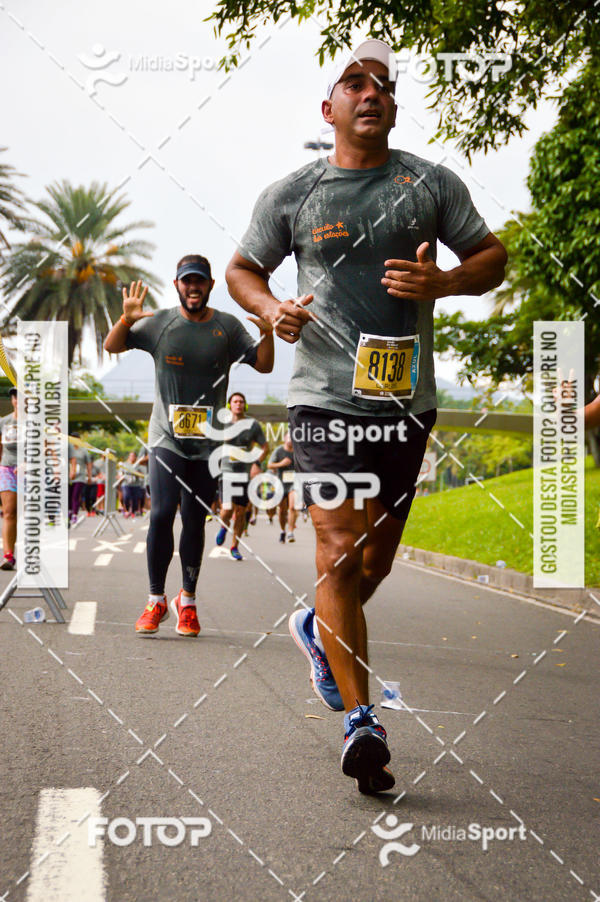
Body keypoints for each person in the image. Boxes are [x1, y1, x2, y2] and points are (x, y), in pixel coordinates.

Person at [226, 39, 507, 793]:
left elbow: (493, 259)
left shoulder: (427, 183)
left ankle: (318, 632)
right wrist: (270, 308)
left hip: (404, 403)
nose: (370, 91)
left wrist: (442, 280)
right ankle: (362, 721)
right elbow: (242, 269)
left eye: (382, 83)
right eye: (355, 82)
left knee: (374, 562)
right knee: (340, 548)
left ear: (392, 105)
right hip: (321, 397)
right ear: (331, 108)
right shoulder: (295, 195)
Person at [103, 257, 273, 636]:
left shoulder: (226, 327)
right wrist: (127, 319)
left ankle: (188, 601)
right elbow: (112, 346)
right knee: (162, 513)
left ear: (210, 284)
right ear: (176, 285)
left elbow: (263, 365)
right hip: (167, 439)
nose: (192, 287)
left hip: (209, 445)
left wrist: (267, 333)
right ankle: (155, 600)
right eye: (186, 282)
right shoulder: (160, 323)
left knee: (194, 520)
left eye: (199, 282)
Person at [215, 391, 268, 560]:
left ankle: (234, 546)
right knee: (227, 508)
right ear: (230, 405)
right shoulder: (221, 423)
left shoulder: (252, 425)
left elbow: (265, 446)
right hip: (227, 471)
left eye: (241, 401)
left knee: (241, 511)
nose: (238, 404)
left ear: (245, 405)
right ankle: (223, 526)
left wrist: (256, 463)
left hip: (244, 474)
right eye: (235, 401)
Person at [0, 387, 19, 570]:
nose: (19, 399)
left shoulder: (36, 423)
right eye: (15, 396)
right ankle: (8, 555)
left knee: (29, 514)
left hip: (30, 471)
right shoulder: (3, 422)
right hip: (7, 468)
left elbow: (45, 449)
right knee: (9, 512)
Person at [267, 431, 297, 543]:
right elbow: (269, 465)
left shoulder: (298, 451)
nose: (290, 439)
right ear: (284, 438)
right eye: (288, 437)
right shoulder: (279, 450)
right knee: (282, 510)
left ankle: (290, 532)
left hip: (294, 483)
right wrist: (281, 464)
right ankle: (282, 530)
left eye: (292, 437)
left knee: (293, 507)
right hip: (281, 483)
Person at [68, 434, 92, 524]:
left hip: (80, 476)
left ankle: (74, 514)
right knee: (69, 495)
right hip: (69, 476)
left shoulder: (84, 450)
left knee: (75, 495)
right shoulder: (68, 449)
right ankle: (69, 512)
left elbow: (89, 464)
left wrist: (89, 476)